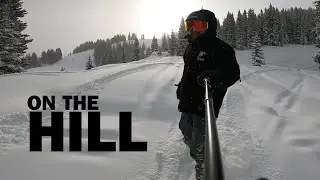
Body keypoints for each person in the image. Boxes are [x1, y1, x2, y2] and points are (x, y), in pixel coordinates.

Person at [176, 9, 240, 180]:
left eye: (198, 25)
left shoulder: (222, 48)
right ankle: (199, 155)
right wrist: (182, 86)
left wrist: (215, 77)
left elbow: (233, 74)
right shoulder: (191, 47)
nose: (193, 30)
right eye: (190, 25)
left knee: (201, 144)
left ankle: (204, 170)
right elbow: (188, 70)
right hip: (187, 101)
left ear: (209, 27)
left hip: (205, 104)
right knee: (185, 130)